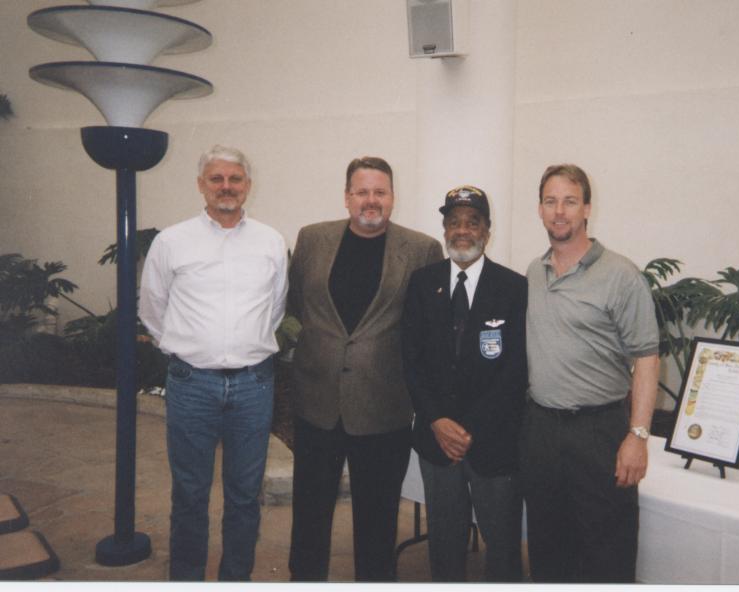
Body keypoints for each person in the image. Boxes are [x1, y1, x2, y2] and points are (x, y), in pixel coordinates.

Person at [286, 156, 443, 581]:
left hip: (383, 406)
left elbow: (427, 328)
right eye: (362, 192)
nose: (370, 200)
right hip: (317, 401)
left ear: (392, 197)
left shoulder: (422, 250)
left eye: (380, 192)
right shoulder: (312, 239)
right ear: (346, 197)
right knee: (309, 516)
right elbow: (297, 304)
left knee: (378, 521)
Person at [139, 145, 289, 581]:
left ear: (248, 185)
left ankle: (235, 580)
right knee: (189, 495)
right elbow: (152, 308)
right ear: (201, 185)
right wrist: (192, 348)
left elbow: (275, 309)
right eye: (217, 178)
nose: (226, 186)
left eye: (235, 179)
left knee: (245, 496)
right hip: (192, 386)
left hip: (253, 386)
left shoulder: (270, 242)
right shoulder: (172, 242)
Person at [520, 163, 660, 583]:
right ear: (540, 209)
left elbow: (647, 358)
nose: (559, 211)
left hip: (598, 432)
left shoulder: (621, 275)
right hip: (541, 431)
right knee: (547, 549)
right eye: (550, 201)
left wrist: (637, 436)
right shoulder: (534, 272)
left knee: (607, 554)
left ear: (587, 209)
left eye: (570, 201)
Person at [402, 186, 527, 582]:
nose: (462, 231)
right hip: (436, 441)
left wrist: (470, 428)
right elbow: (410, 360)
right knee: (444, 545)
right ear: (444, 230)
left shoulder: (514, 287)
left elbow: (516, 369)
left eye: (472, 223)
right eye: (454, 222)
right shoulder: (422, 283)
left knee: (502, 548)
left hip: (493, 441)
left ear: (487, 231)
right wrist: (437, 420)